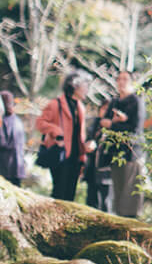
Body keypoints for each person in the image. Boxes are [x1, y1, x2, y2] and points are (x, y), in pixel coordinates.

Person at [36, 71, 91, 202]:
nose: (87, 89)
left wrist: (84, 151)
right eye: (85, 85)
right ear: (75, 86)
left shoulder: (80, 107)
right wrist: (56, 130)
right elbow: (40, 123)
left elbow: (80, 133)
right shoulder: (56, 104)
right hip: (59, 154)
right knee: (59, 192)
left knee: (70, 194)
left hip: (75, 156)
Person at [101, 70, 146, 218]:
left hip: (131, 152)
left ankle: (130, 225)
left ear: (132, 82)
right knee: (118, 192)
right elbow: (104, 122)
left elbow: (135, 129)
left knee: (130, 193)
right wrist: (115, 122)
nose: (121, 82)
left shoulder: (136, 101)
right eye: (119, 79)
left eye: (125, 79)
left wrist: (115, 124)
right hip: (115, 152)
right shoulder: (114, 102)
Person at [83, 108, 112, 212]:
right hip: (92, 167)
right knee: (91, 198)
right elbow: (87, 139)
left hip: (106, 169)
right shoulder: (94, 124)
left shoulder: (114, 127)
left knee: (105, 201)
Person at [0, 90, 26, 187]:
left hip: (6, 168)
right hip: (17, 167)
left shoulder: (3, 121)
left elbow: (2, 142)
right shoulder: (17, 120)